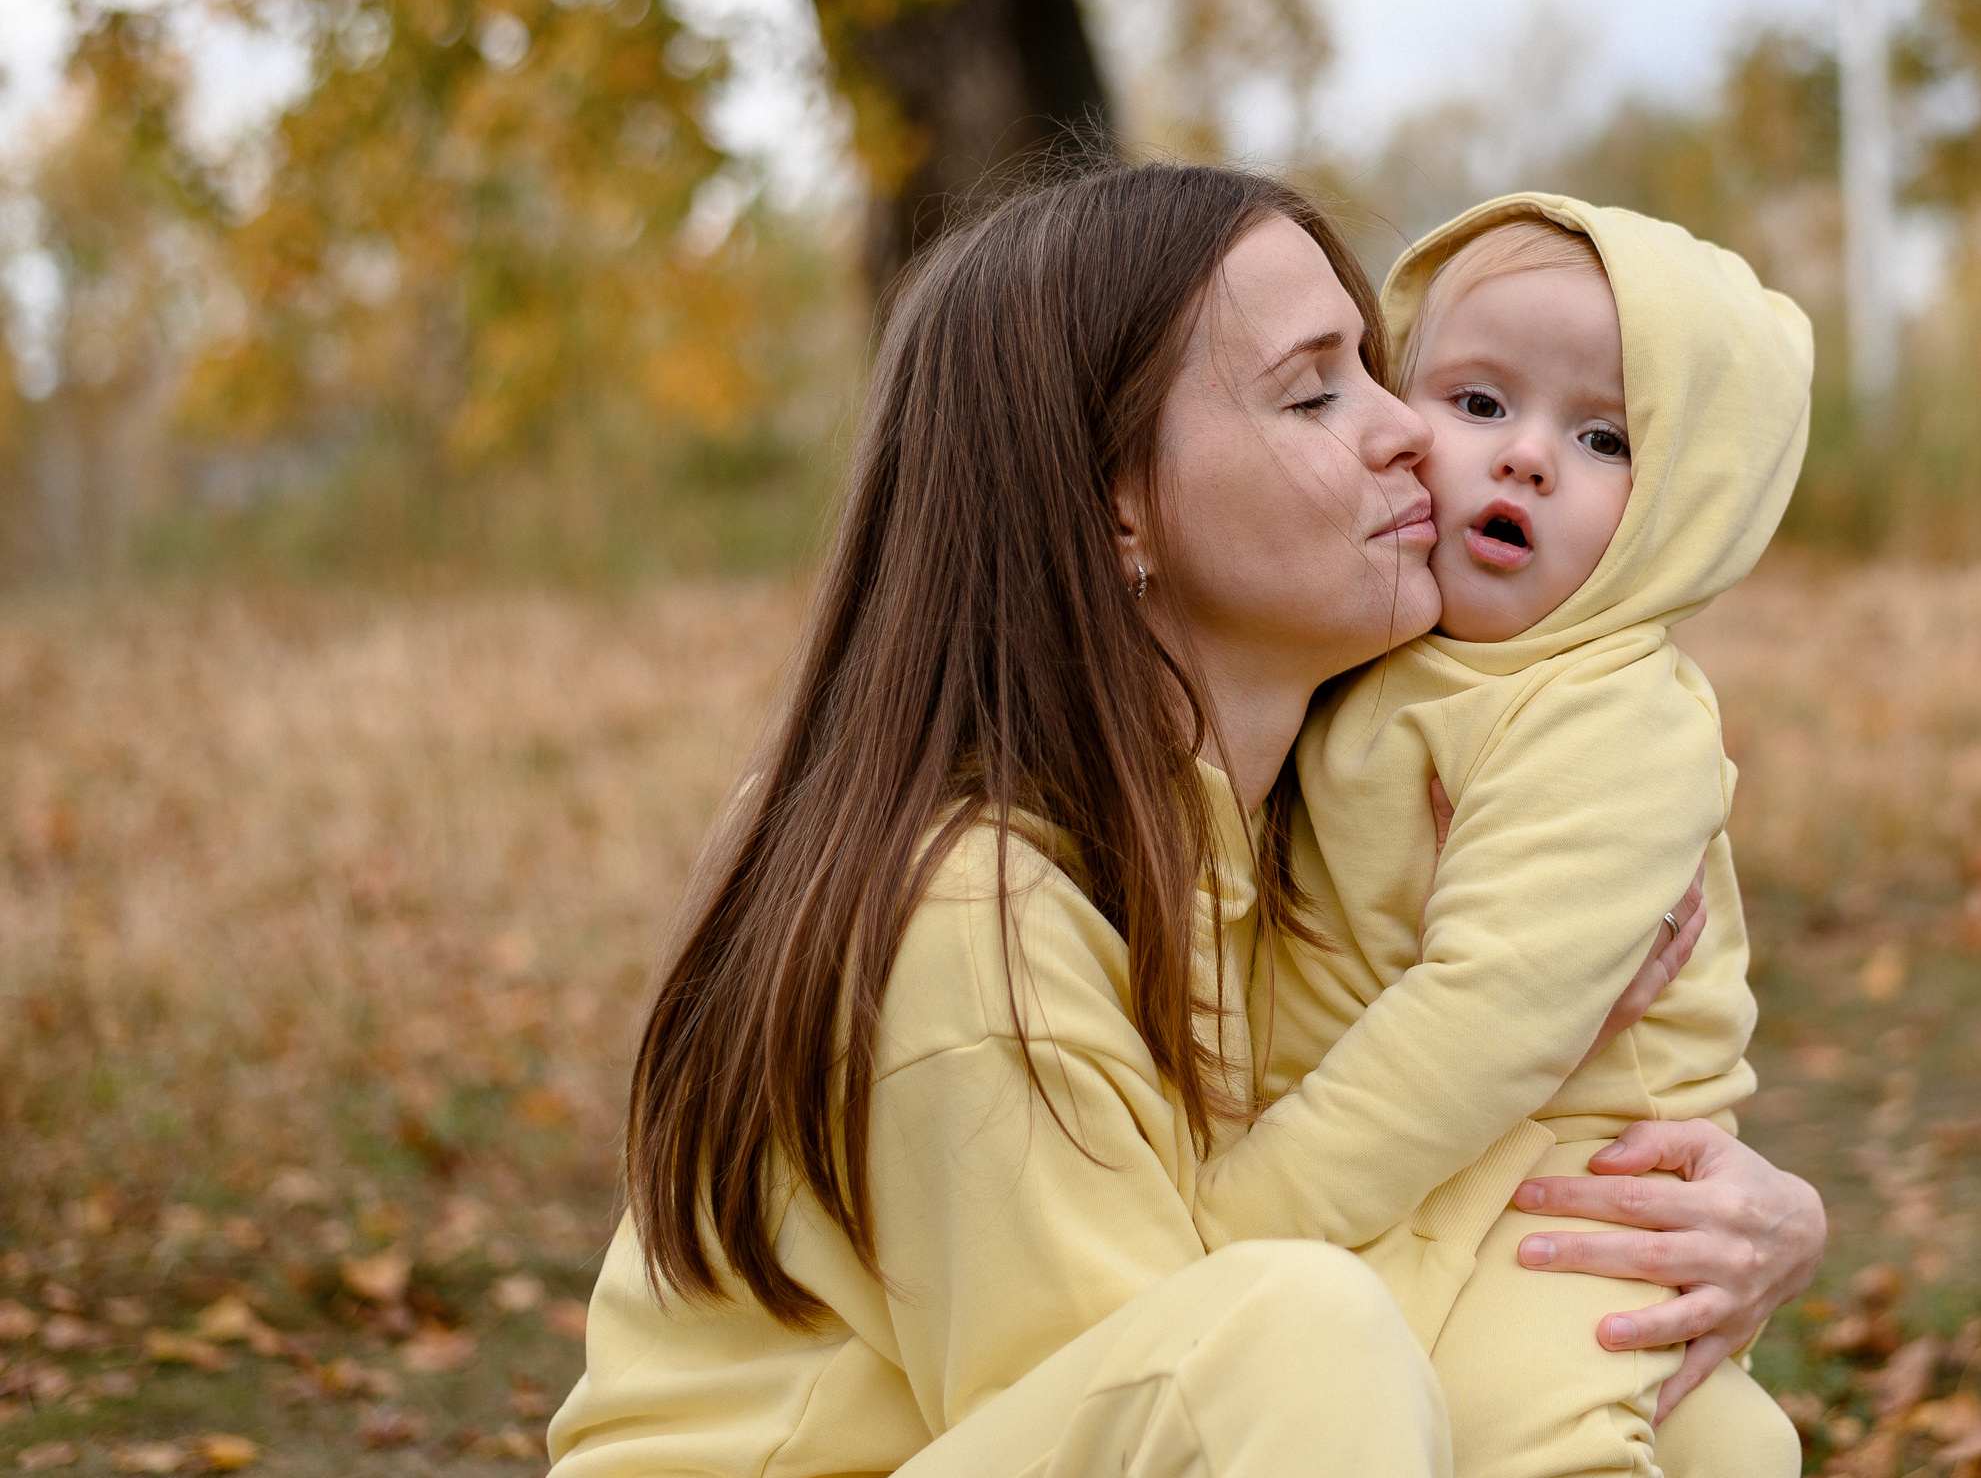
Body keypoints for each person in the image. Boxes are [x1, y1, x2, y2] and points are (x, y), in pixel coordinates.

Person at [546, 163, 1824, 1478]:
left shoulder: (1295, 820)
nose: (1409, 433)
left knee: (1710, 1432)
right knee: (1300, 1344)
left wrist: (1751, 1221)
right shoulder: (970, 923)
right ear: (1119, 505)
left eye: (1385, 371)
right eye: (1317, 390)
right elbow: (1194, 1397)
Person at [1193, 194, 1813, 1478]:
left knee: (1529, 1433)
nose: (1525, 457)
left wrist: (1244, 1216)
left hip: (1577, 1188)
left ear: (1684, 509)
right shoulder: (1378, 651)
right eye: (1477, 405)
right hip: (1418, 1177)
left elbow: (1482, 1020)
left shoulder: (1607, 718)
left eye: (1602, 437)